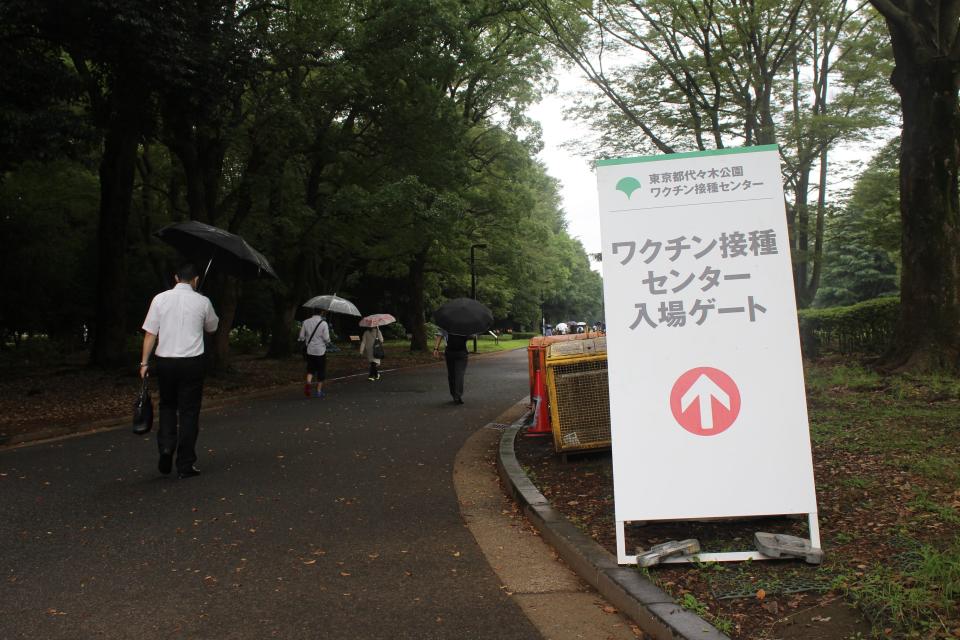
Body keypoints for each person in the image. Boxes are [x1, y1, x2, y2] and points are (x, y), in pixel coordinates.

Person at [140, 264, 219, 479]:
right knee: (189, 412)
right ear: (196, 279)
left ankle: (166, 447)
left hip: (165, 361)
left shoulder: (160, 299)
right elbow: (212, 328)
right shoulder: (203, 301)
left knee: (167, 406)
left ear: (176, 277)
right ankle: (185, 463)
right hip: (192, 362)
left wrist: (144, 363)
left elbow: (150, 333)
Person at [299, 309, 330, 398]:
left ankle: (308, 383)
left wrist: (307, 340)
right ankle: (318, 391)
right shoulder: (324, 323)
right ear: (321, 313)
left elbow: (301, 336)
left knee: (310, 369)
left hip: (310, 350)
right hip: (320, 351)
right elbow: (326, 338)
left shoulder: (306, 322)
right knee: (321, 370)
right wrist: (328, 341)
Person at [433, 329, 468, 404]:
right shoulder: (465, 324)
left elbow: (439, 335)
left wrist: (436, 349)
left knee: (451, 374)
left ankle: (454, 394)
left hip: (449, 352)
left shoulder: (446, 323)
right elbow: (471, 336)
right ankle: (457, 395)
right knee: (459, 374)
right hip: (462, 352)